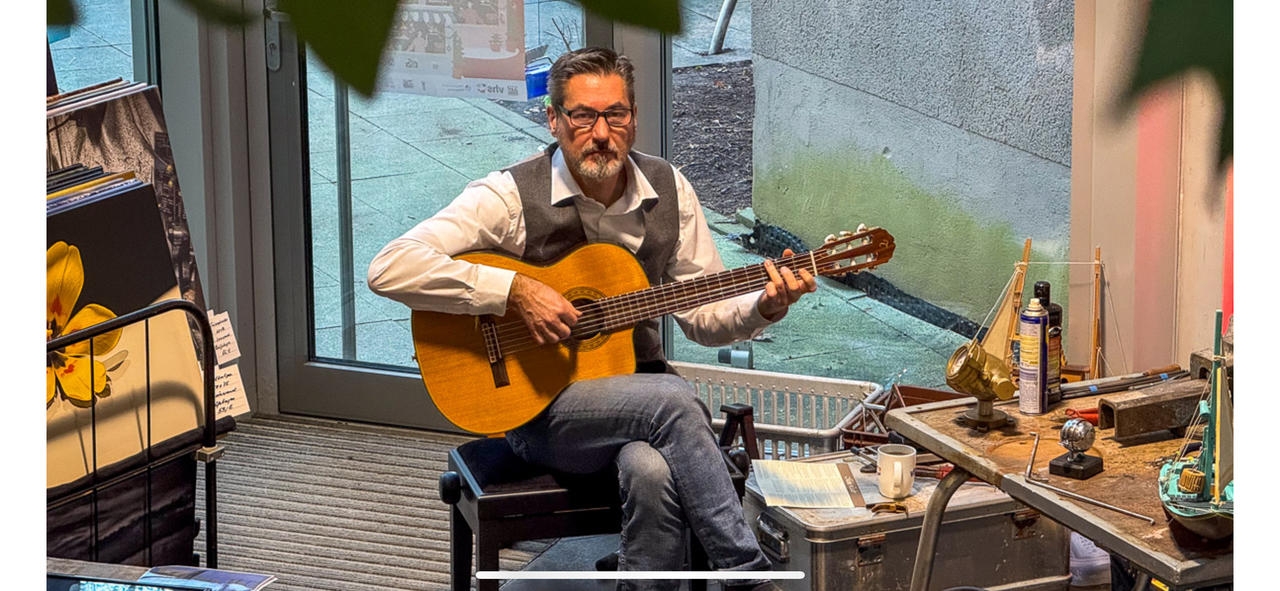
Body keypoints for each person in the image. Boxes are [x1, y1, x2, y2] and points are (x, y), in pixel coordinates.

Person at [367, 47, 815, 591]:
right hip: (543, 411)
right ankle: (749, 577)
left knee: (651, 470)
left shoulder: (669, 189)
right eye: (582, 116)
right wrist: (513, 291)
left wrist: (764, 305)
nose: (601, 133)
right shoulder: (509, 196)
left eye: (615, 115)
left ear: (633, 118)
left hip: (640, 400)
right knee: (675, 399)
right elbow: (389, 266)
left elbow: (703, 315)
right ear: (554, 120)